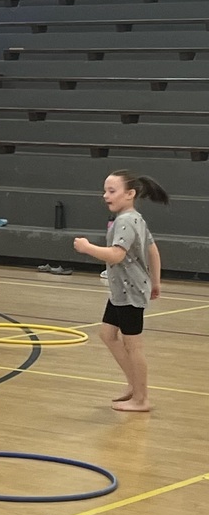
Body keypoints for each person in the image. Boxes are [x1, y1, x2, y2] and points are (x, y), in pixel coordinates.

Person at [73, 170, 167, 412]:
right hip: (123, 291)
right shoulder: (136, 218)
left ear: (130, 194)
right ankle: (135, 386)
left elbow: (117, 254)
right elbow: (153, 250)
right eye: (105, 190)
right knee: (107, 334)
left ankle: (142, 398)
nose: (105, 195)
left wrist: (87, 248)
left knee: (133, 345)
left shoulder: (125, 221)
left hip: (130, 290)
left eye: (112, 191)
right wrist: (155, 282)